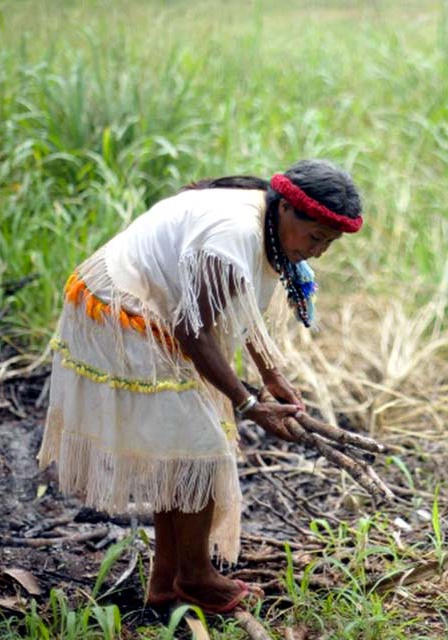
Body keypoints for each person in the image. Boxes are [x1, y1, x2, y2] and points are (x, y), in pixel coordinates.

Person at [37, 159, 363, 613]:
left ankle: (167, 584)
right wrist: (250, 404)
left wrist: (272, 375)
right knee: (201, 450)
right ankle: (195, 577)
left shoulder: (269, 229)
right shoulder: (234, 234)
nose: (319, 252)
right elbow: (193, 332)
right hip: (118, 312)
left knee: (183, 450)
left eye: (329, 243)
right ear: (287, 209)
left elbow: (239, 308)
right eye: (315, 237)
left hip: (157, 313)